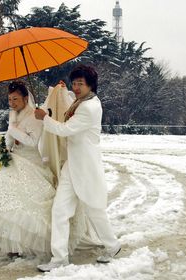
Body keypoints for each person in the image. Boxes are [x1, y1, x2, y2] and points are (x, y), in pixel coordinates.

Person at [0, 80, 87, 258]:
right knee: (10, 203)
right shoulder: (14, 114)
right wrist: (4, 146)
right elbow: (9, 137)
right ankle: (13, 243)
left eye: (15, 99)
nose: (12, 103)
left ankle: (35, 242)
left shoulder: (35, 115)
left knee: (27, 205)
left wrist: (14, 130)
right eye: (10, 99)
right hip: (14, 161)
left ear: (25, 98)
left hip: (31, 162)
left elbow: (33, 141)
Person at [35, 65, 121, 272]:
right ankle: (59, 258)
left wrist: (44, 118)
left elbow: (65, 130)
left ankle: (112, 245)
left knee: (94, 210)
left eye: (80, 83)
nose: (76, 87)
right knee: (60, 211)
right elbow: (69, 107)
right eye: (74, 83)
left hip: (86, 166)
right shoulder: (82, 100)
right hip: (72, 166)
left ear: (90, 85)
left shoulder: (89, 108)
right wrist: (62, 91)